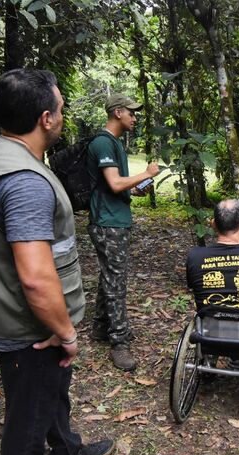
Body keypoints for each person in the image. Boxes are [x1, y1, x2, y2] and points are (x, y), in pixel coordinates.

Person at [0, 69, 113, 455]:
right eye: (60, 108)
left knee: (48, 389)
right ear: (46, 119)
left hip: (17, 313)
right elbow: (37, 279)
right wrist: (66, 331)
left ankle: (66, 449)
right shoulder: (25, 182)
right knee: (27, 420)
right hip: (31, 326)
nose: (62, 116)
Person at [87, 93, 161, 370]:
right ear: (117, 112)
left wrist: (138, 188)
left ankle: (99, 327)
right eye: (131, 112)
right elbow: (115, 183)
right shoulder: (103, 142)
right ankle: (119, 342)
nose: (135, 117)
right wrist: (147, 173)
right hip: (108, 222)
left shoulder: (114, 143)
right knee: (116, 281)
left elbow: (118, 186)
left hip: (115, 218)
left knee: (110, 275)